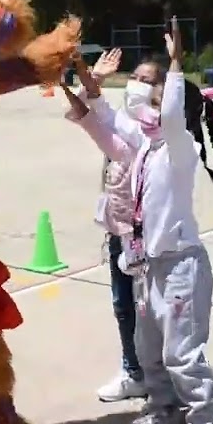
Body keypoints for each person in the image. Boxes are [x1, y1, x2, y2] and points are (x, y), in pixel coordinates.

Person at [63, 17, 213, 424]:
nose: (144, 102)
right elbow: (106, 125)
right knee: (148, 347)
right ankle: (163, 407)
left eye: (154, 96)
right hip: (146, 265)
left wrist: (176, 64)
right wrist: (76, 78)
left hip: (179, 265)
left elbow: (170, 118)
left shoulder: (181, 150)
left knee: (182, 352)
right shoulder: (145, 149)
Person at [66, 46, 150, 403]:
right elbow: (89, 110)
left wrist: (86, 79)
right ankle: (134, 370)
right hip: (118, 231)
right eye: (134, 77)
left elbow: (91, 115)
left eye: (147, 81)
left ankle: (154, 373)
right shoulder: (124, 121)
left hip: (144, 236)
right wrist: (93, 76)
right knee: (123, 305)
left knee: (148, 310)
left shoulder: (153, 135)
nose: (137, 85)